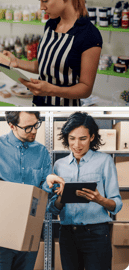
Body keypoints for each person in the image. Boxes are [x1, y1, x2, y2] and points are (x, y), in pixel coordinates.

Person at [2, 0, 102, 107]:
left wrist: (52, 90)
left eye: (45, 0)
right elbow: (46, 66)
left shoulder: (89, 35)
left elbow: (85, 89)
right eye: (39, 1)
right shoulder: (51, 25)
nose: (41, 7)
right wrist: (17, 62)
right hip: (39, 106)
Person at [0, 111, 64, 270]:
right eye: (28, 127)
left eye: (36, 125)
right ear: (12, 125)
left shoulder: (41, 152)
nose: (34, 130)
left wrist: (48, 182)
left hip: (29, 230)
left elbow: (43, 190)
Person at [48, 112, 123, 270]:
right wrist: (61, 197)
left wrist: (99, 199)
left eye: (82, 138)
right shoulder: (59, 165)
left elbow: (116, 204)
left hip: (96, 233)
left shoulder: (104, 161)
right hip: (67, 234)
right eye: (72, 138)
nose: (77, 144)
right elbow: (52, 208)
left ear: (92, 137)